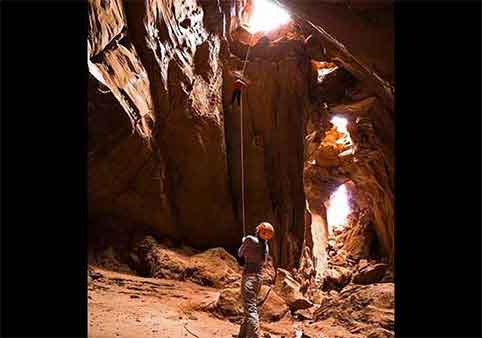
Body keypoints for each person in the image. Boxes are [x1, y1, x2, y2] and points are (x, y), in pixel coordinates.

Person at [237, 222, 274, 338]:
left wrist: (244, 242)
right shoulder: (266, 247)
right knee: (249, 307)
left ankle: (254, 335)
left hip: (249, 277)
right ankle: (243, 334)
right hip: (258, 279)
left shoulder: (250, 239)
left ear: (259, 230)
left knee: (250, 309)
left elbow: (240, 253)